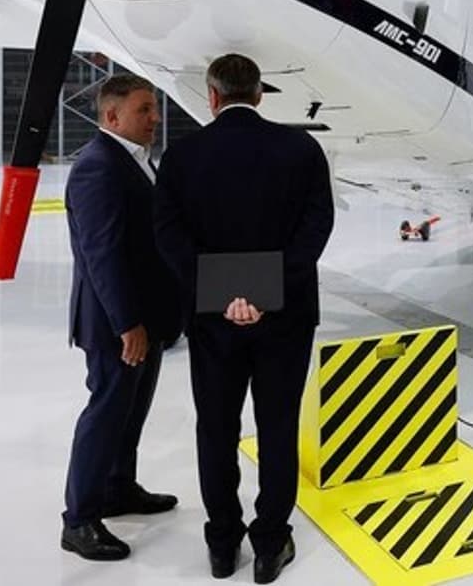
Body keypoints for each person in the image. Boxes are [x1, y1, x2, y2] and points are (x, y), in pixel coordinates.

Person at [155, 53, 336, 583]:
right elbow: (316, 228)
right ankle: (270, 545)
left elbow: (168, 234)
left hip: (212, 322)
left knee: (216, 430)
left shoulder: (182, 155)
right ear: (259, 94)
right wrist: (263, 291)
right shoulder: (301, 149)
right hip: (286, 316)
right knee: (277, 428)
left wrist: (222, 294)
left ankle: (221, 544)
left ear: (212, 97)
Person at [60, 74, 183, 562]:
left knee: (131, 411)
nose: (155, 118)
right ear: (112, 116)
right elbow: (102, 254)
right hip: (118, 323)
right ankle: (79, 520)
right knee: (107, 412)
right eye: (144, 110)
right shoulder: (98, 167)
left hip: (147, 319)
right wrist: (127, 323)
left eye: (154, 108)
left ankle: (118, 488)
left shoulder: (134, 160)